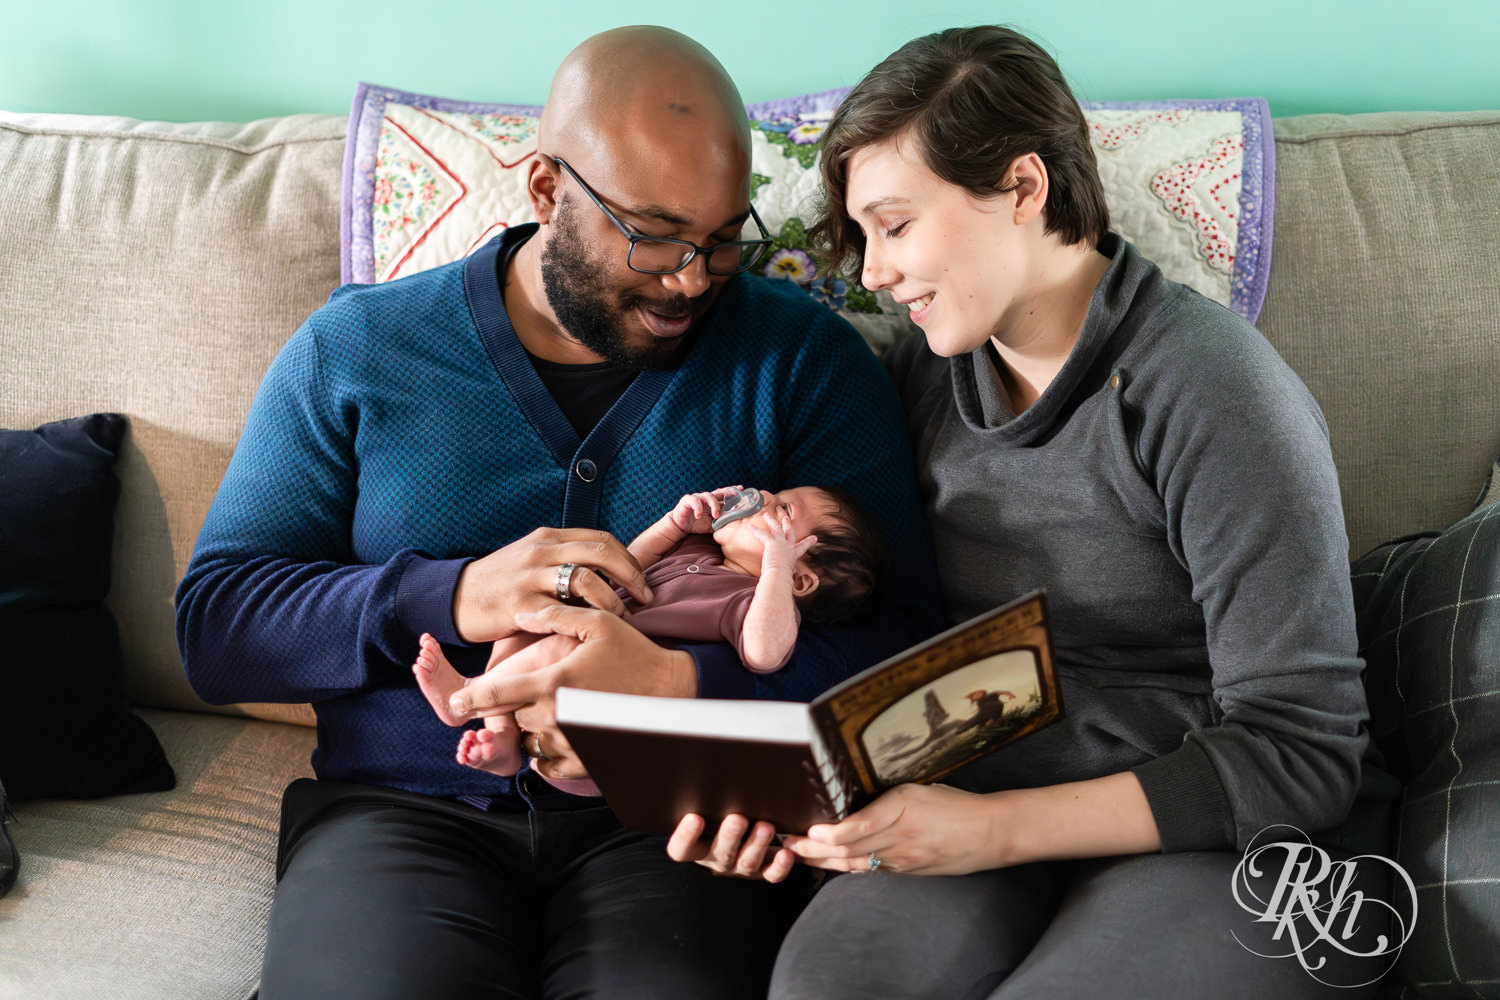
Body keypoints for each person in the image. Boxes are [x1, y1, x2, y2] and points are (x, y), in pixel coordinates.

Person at [174, 25, 939, 1000]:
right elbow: (218, 625)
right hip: (403, 814)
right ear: (546, 189)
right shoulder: (356, 349)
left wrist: (684, 685)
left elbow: (912, 650)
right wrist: (448, 595)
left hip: (671, 825)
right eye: (654, 235)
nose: (692, 279)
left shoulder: (804, 362)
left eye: (718, 241)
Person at [668, 26, 1392, 998]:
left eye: (895, 225)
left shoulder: (1211, 395)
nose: (873, 274)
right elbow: (855, 612)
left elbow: (1305, 749)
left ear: (1022, 188)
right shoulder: (930, 366)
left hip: (1202, 823)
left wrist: (993, 830)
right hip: (968, 784)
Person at [412, 484, 886, 787]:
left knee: (559, 644)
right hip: (561, 712)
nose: (761, 494)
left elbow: (765, 655)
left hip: (615, 733)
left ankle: (468, 697)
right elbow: (626, 570)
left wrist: (777, 568)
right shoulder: (698, 551)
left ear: (802, 580)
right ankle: (500, 742)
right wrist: (672, 526)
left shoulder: (750, 601)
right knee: (525, 616)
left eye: (782, 508)